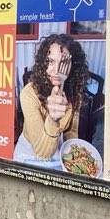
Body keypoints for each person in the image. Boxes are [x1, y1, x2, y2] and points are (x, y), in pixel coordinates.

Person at [13, 34, 89, 168]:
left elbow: (71, 132)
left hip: (58, 148)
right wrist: (53, 120)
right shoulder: (29, 93)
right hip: (30, 153)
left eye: (64, 62)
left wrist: (73, 157)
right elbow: (42, 154)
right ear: (43, 63)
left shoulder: (75, 93)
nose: (56, 71)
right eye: (51, 61)